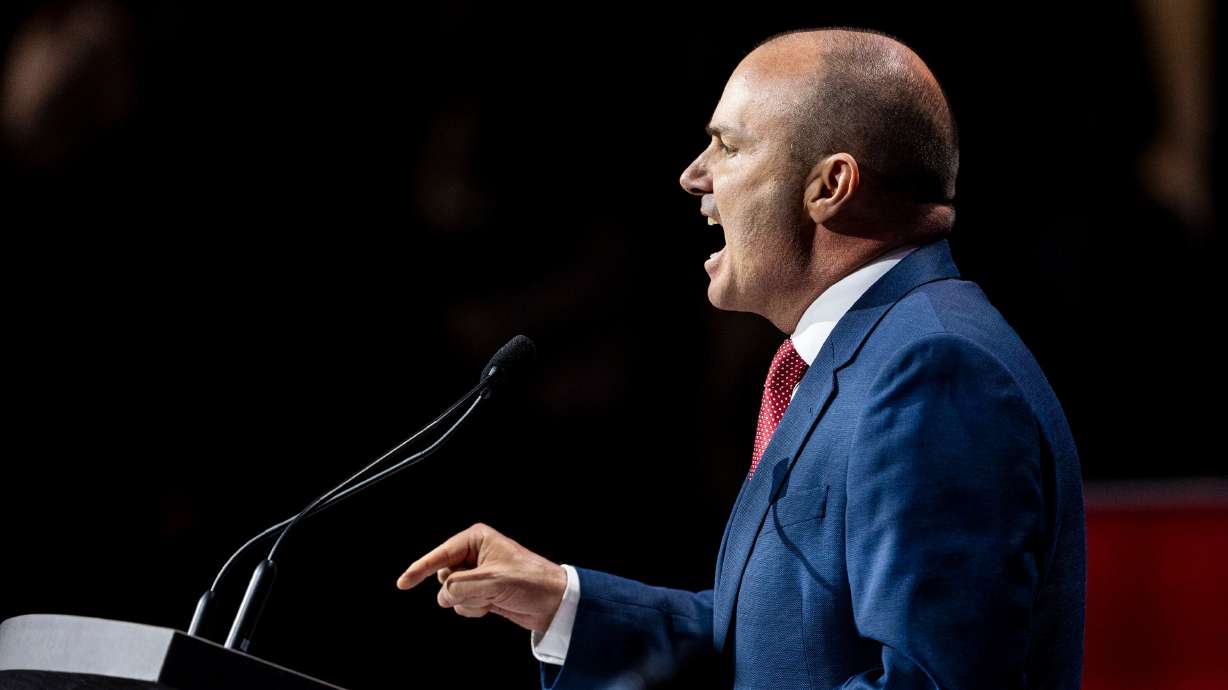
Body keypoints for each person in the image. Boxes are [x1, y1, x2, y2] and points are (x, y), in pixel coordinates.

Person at [395, 27, 1085, 690]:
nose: (694, 176)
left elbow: (933, 681)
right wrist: (564, 601)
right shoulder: (864, 357)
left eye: (726, 146)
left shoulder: (933, 370)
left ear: (829, 187)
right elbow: (776, 651)